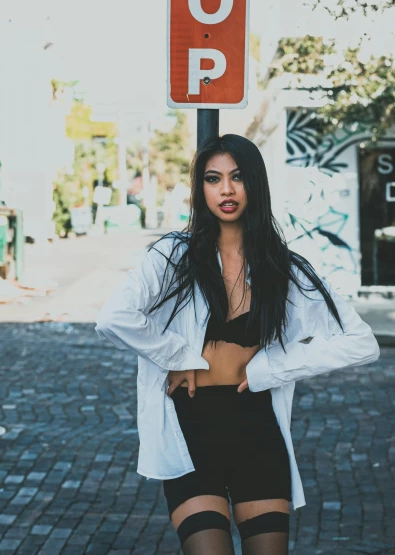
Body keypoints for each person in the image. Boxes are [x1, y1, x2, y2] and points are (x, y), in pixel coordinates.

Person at [96, 134, 380, 554]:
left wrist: (272, 369)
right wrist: (176, 356)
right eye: (213, 179)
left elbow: (360, 342)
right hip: (191, 432)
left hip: (256, 431)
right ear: (201, 189)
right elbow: (114, 318)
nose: (226, 190)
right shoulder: (173, 257)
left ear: (256, 185)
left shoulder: (284, 269)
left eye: (237, 177)